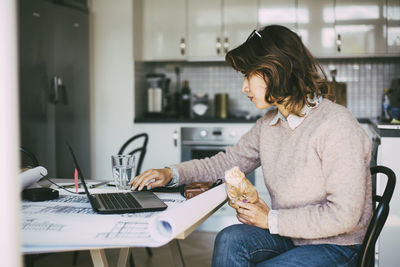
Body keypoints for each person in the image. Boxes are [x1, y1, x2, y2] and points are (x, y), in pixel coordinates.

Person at [129, 25, 372, 267]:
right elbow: (225, 163)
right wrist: (172, 173)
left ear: (275, 70)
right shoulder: (270, 124)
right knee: (229, 238)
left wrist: (271, 219)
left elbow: (344, 215)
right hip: (291, 236)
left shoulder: (336, 125)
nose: (244, 87)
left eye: (248, 75)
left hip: (338, 246)